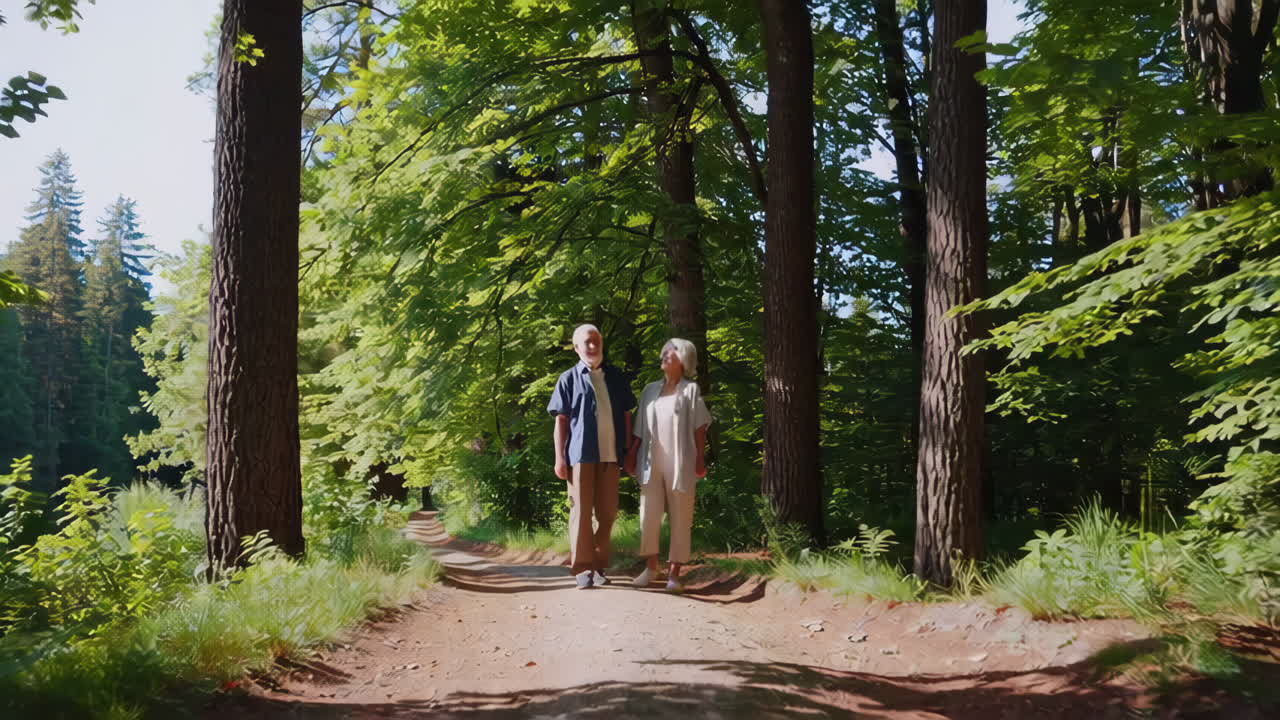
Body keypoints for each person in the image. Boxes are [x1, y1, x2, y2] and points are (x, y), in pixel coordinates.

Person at [547, 324, 636, 589]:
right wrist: (559, 458)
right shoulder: (568, 379)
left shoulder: (616, 377)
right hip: (580, 456)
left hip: (612, 455)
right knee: (582, 512)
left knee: (607, 514)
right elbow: (561, 421)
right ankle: (583, 568)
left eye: (596, 340)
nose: (593, 346)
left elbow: (627, 415)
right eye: (587, 342)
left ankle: (598, 565)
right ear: (576, 347)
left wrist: (629, 450)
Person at [624, 338, 711, 592]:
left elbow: (700, 428)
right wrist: (631, 454)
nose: (664, 355)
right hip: (650, 461)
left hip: (681, 462)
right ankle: (651, 568)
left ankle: (674, 574)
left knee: (681, 516)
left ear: (683, 359)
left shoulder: (690, 390)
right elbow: (639, 428)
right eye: (663, 352)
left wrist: (700, 458)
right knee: (648, 514)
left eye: (670, 353)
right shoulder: (650, 390)